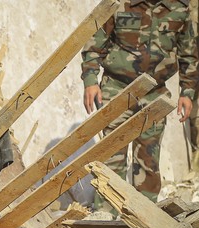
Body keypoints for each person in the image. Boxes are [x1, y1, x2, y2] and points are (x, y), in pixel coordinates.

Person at [82, 0, 198, 202]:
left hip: (156, 93)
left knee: (148, 158)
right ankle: (105, 215)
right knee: (111, 153)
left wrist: (187, 92)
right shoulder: (117, 3)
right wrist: (90, 80)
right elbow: (94, 43)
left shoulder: (179, 8)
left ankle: (144, 213)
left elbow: (189, 54)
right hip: (117, 89)